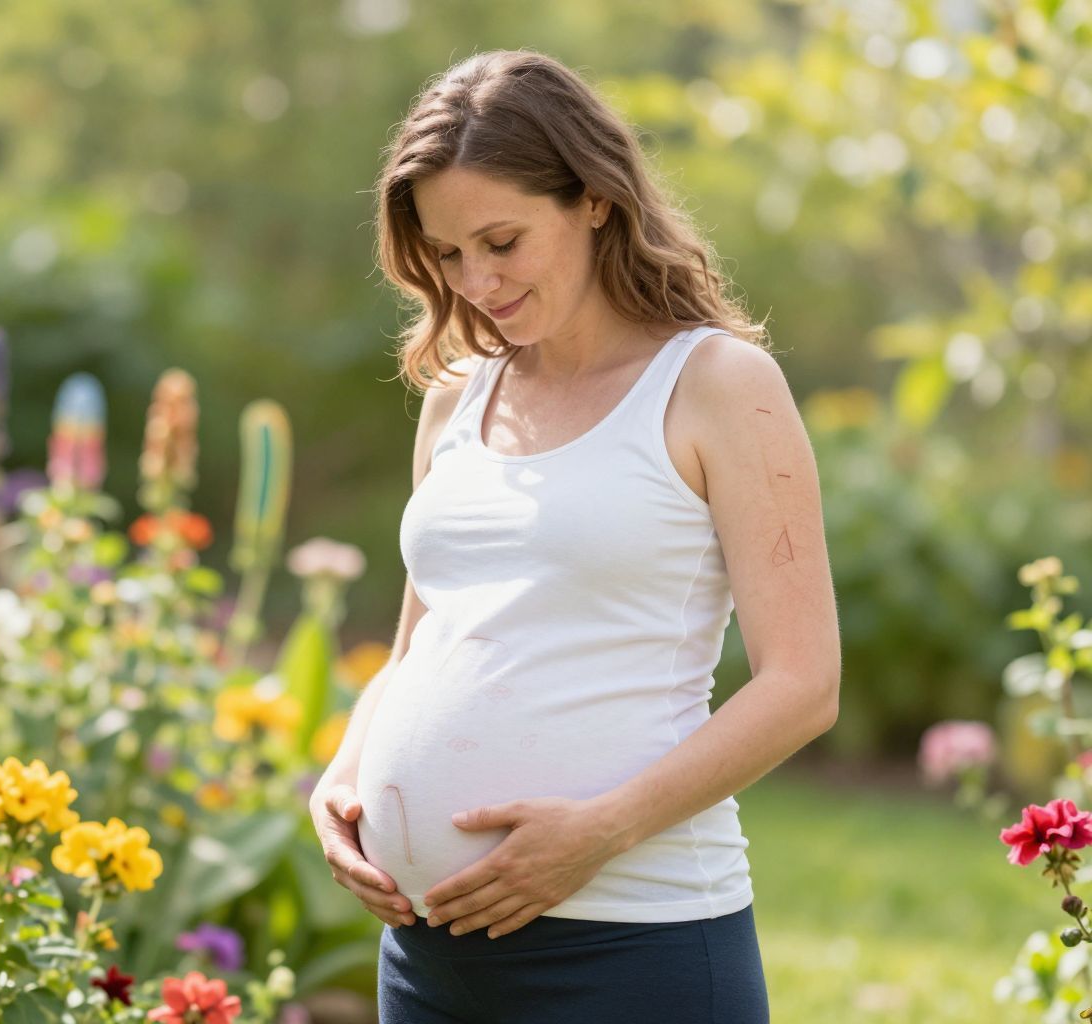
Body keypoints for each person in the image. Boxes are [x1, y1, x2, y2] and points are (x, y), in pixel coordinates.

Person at [307, 49, 841, 1023]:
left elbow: (803, 684)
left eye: (502, 241)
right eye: (448, 254)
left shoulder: (717, 387)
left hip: (631, 945)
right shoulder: (458, 397)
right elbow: (417, 650)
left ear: (593, 198)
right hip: (426, 959)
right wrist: (343, 780)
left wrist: (600, 830)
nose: (476, 281)